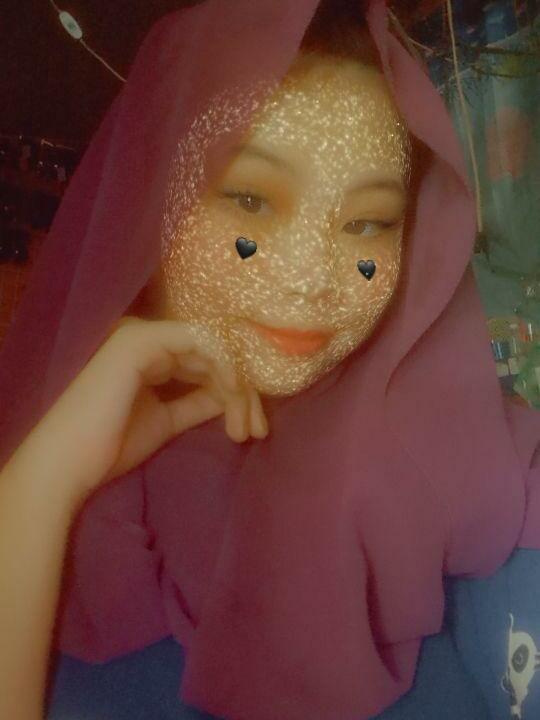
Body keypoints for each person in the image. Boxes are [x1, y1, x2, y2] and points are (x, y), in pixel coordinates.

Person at [0, 1, 538, 719]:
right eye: (250, 199)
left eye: (368, 222)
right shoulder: (45, 470)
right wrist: (41, 486)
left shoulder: (486, 474)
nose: (310, 276)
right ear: (144, 195)